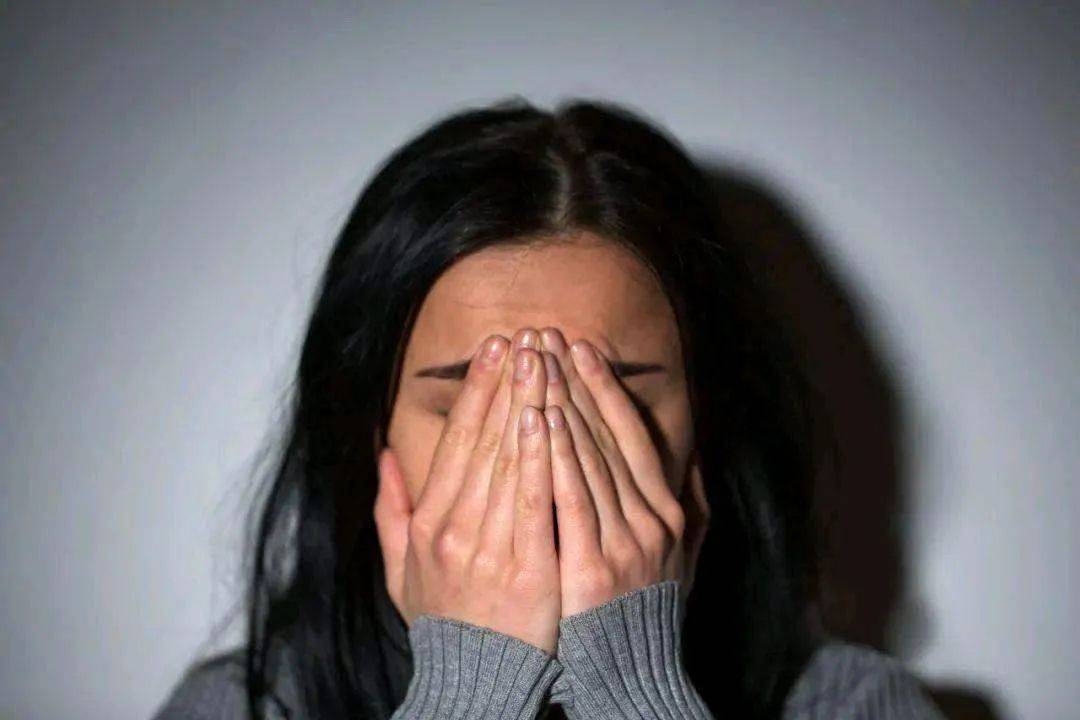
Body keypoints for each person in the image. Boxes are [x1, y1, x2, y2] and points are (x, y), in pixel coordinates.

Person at [151, 97, 945, 719]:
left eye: (612, 394)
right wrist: (469, 691)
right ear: (369, 436)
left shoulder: (852, 705)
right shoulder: (244, 707)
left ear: (707, 424)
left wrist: (633, 690)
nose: (546, 456)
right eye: (474, 401)